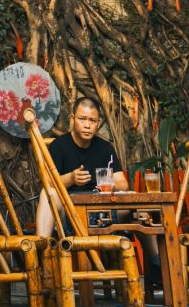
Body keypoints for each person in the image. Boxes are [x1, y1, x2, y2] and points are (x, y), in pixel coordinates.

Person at [35, 96, 128, 237]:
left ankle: (154, 258)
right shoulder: (59, 146)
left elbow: (122, 183)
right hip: (69, 209)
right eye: (82, 119)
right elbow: (47, 182)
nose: (87, 125)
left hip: (101, 209)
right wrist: (71, 178)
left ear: (98, 123)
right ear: (72, 119)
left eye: (92, 121)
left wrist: (107, 185)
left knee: (138, 207)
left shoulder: (105, 148)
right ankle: (42, 250)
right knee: (48, 193)